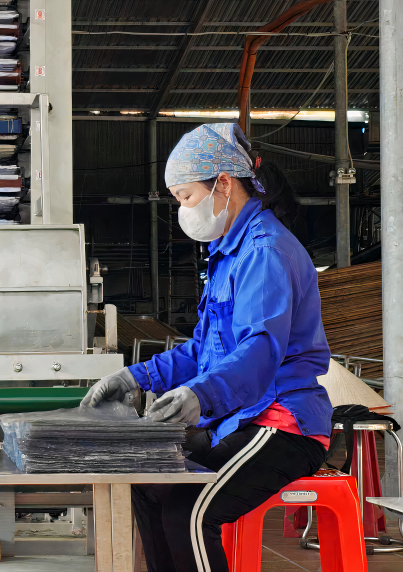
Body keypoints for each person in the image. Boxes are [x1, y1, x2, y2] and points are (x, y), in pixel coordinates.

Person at [80, 123, 332, 572]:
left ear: (223, 183)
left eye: (185, 197)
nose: (183, 209)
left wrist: (202, 395)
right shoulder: (228, 253)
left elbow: (260, 350)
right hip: (242, 417)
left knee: (190, 512)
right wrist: (132, 378)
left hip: (283, 423)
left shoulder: (264, 251)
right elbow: (203, 349)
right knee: (148, 484)